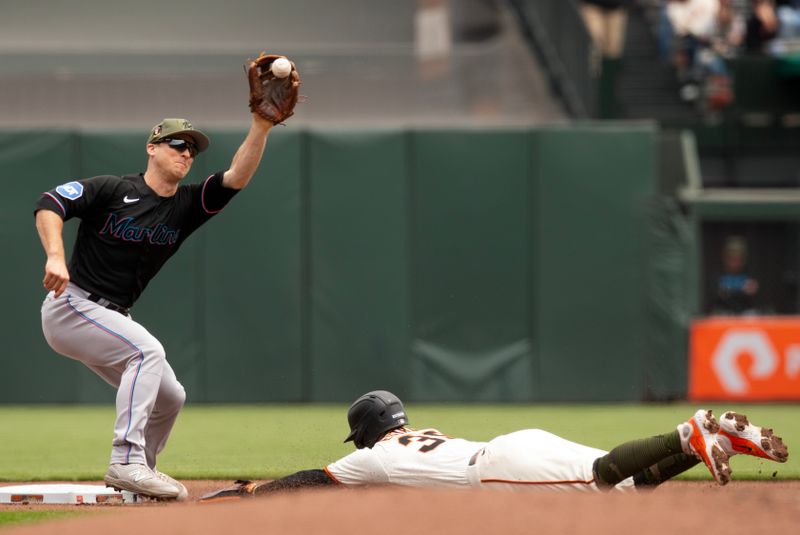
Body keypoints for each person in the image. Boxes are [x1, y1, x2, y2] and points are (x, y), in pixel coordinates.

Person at [34, 112, 277, 500]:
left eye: (192, 149)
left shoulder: (185, 206)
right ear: (152, 148)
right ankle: (125, 459)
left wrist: (261, 126)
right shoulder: (113, 189)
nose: (187, 153)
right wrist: (55, 256)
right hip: (71, 305)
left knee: (170, 397)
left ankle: (138, 475)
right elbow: (50, 202)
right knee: (146, 351)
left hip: (110, 316)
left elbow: (237, 176)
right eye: (178, 144)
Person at [202, 390, 788, 500]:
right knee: (625, 486)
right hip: (513, 443)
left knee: (605, 476)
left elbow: (314, 479)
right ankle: (707, 444)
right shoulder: (422, 434)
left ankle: (685, 432)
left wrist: (258, 491)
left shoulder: (374, 456)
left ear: (366, 431)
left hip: (501, 465)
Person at [712, 235, 761, 315]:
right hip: (724, 312)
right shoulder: (718, 274)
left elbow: (753, 295)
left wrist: (730, 293)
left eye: (738, 259)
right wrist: (740, 291)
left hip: (745, 313)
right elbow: (717, 295)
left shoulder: (750, 273)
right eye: (731, 258)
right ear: (725, 258)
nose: (734, 262)